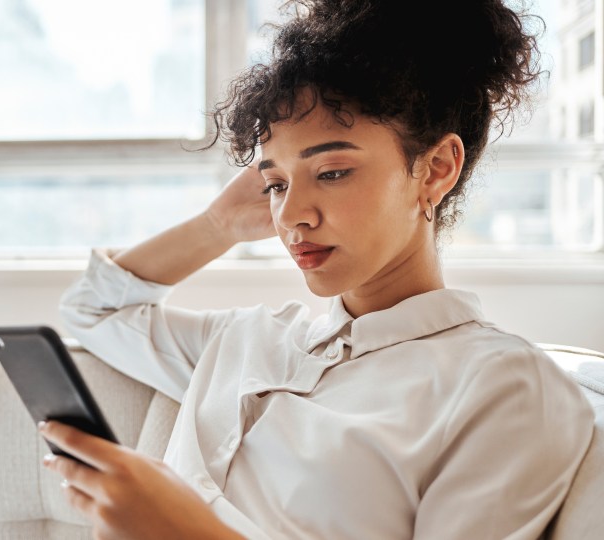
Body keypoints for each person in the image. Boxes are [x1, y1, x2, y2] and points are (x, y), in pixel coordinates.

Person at [37, 0, 595, 538]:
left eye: (331, 172)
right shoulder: (246, 340)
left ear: (437, 168)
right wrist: (218, 225)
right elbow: (93, 307)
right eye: (276, 184)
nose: (292, 217)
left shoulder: (505, 387)